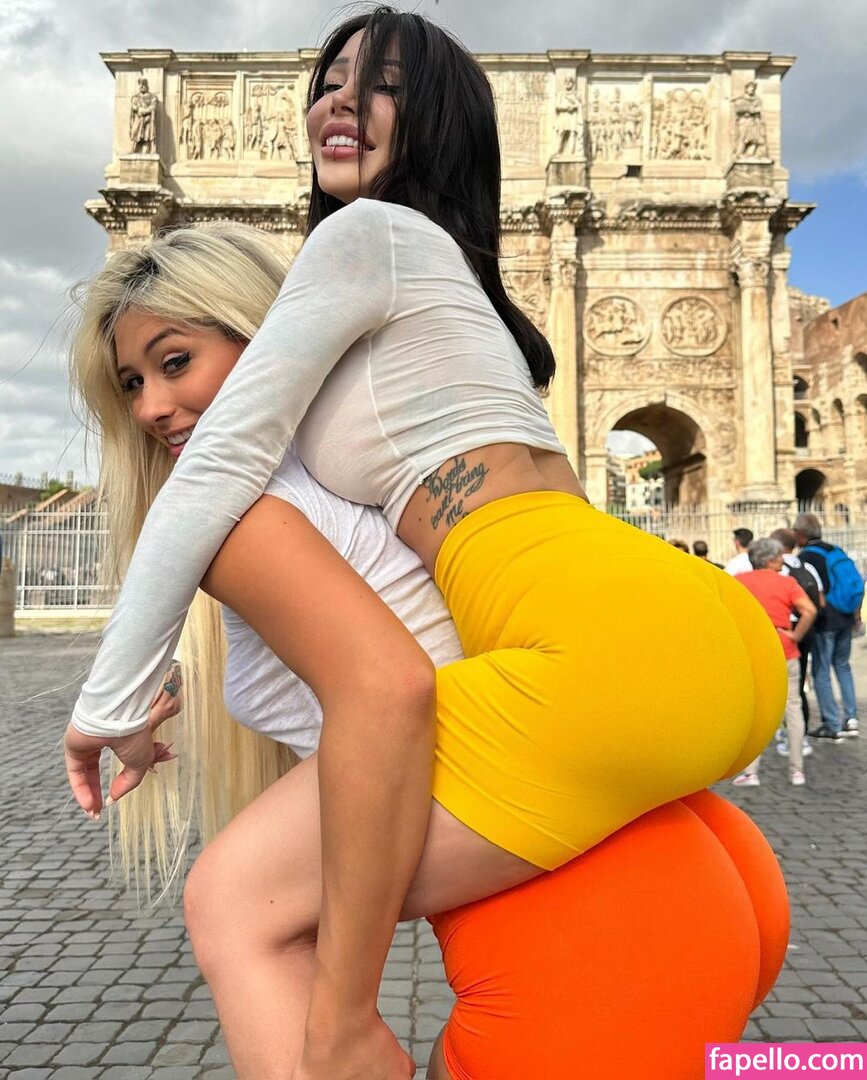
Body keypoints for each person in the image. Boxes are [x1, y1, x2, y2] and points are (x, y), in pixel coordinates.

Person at [64, 10, 786, 1078]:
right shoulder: (453, 308)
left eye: (380, 86)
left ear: (438, 117)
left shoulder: (365, 237)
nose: (337, 102)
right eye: (326, 83)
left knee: (232, 900)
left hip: (599, 652)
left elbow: (222, 474)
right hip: (687, 631)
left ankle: (343, 1042)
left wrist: (109, 698)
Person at [732, 538, 816, 787]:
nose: (782, 560)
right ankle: (797, 770)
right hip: (785, 649)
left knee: (755, 711)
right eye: (779, 556)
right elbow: (809, 610)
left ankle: (751, 771)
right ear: (769, 560)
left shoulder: (739, 582)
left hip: (754, 652)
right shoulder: (787, 583)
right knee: (793, 707)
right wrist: (796, 635)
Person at [794, 513, 863, 741]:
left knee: (821, 672)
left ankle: (831, 723)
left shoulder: (807, 557)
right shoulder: (835, 550)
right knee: (843, 666)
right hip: (845, 616)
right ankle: (851, 718)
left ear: (801, 535)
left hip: (825, 620)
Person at [770, 527, 823, 744]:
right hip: (807, 630)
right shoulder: (806, 566)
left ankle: (786, 731)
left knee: (784, 687)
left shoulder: (779, 570)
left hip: (786, 630)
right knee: (798, 685)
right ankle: (802, 731)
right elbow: (819, 601)